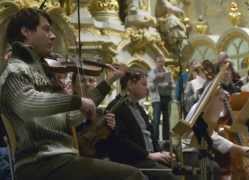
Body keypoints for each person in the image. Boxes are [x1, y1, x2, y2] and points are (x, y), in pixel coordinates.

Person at [0, 8, 145, 180]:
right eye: (46, 29)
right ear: (26, 31)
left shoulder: (43, 72)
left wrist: (106, 84)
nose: (53, 36)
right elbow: (28, 105)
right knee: (132, 176)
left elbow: (70, 118)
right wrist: (76, 101)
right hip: (40, 164)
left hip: (60, 160)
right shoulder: (15, 70)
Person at [102, 68, 179, 180]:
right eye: (143, 84)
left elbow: (149, 136)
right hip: (134, 161)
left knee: (183, 167)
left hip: (147, 157)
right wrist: (149, 155)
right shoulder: (116, 107)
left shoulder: (139, 108)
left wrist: (160, 152)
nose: (147, 88)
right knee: (170, 177)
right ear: (130, 84)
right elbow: (121, 141)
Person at [148, 56, 174, 140]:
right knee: (156, 120)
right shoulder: (151, 73)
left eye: (162, 62)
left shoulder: (167, 72)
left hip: (167, 97)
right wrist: (156, 80)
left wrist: (170, 84)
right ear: (155, 62)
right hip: (157, 99)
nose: (161, 64)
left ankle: (166, 140)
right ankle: (155, 141)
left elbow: (173, 85)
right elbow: (150, 87)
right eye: (159, 62)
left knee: (166, 120)